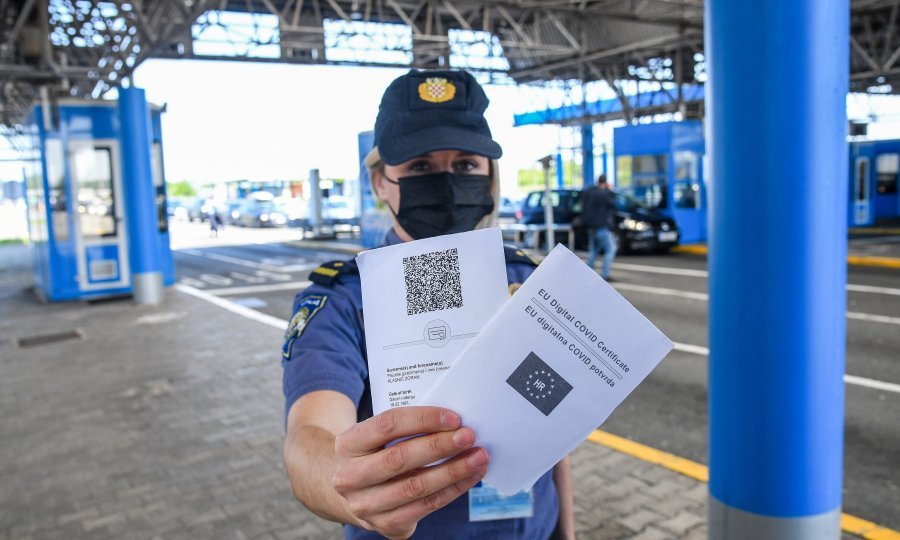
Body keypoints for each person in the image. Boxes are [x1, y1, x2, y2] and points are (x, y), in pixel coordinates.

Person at [282, 69, 575, 540]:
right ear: (380, 181)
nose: (447, 183)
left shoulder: (527, 280)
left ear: (489, 174)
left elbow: (554, 432)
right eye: (420, 166)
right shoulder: (343, 299)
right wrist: (348, 488)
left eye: (465, 165)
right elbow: (309, 436)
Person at [581, 174, 617, 280]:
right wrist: (610, 190)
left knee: (593, 251)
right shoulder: (604, 194)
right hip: (602, 226)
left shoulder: (590, 192)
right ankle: (605, 274)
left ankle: (587, 274)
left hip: (591, 226)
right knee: (610, 249)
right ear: (605, 182)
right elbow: (612, 204)